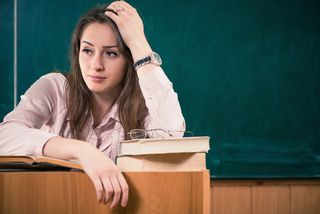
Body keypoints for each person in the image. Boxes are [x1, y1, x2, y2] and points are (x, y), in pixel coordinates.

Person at [0, 0, 185, 209]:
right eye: (88, 50)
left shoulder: (144, 104)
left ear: (129, 58)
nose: (96, 65)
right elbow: (4, 136)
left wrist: (139, 44)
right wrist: (82, 151)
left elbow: (172, 135)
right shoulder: (54, 88)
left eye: (111, 53)